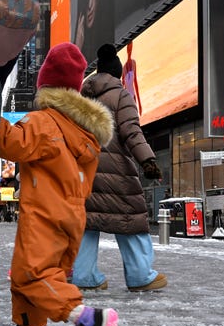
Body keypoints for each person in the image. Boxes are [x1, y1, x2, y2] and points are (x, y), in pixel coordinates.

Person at [0, 42, 118, 326]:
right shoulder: (85, 132)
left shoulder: (44, 121)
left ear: (45, 86)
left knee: (32, 275)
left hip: (44, 212)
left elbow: (15, 144)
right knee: (30, 273)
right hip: (71, 216)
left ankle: (87, 319)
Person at [71, 44, 167, 293]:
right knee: (130, 220)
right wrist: (148, 160)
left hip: (85, 172)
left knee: (86, 223)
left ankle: (84, 276)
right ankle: (140, 275)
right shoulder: (121, 96)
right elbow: (131, 132)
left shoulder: (81, 98)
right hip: (118, 172)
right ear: (116, 74)